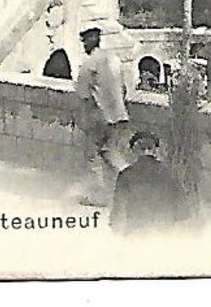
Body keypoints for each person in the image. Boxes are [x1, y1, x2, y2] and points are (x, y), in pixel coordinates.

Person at [72, 26, 130, 205]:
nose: (83, 45)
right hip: (119, 115)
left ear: (91, 41)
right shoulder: (114, 60)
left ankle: (98, 196)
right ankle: (130, 182)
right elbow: (124, 89)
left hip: (99, 116)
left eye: (85, 41)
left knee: (92, 155)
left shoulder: (89, 64)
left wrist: (83, 119)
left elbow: (83, 95)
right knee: (111, 152)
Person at [111, 130, 190, 235]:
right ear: (155, 150)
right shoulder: (169, 174)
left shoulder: (126, 175)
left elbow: (118, 210)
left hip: (136, 232)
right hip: (164, 231)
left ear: (134, 151)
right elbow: (183, 209)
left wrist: (116, 230)